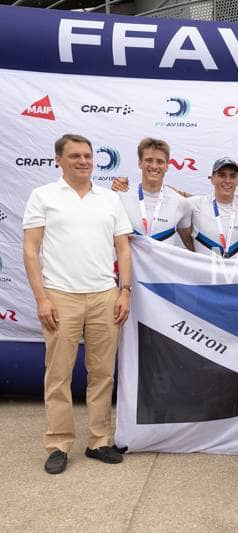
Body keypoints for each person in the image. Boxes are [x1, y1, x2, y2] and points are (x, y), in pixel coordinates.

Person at [22, 134, 133, 474]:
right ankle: (58, 444)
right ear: (59, 160)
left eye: (87, 155)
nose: (83, 161)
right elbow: (30, 250)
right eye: (74, 156)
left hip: (104, 296)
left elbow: (123, 248)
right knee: (58, 374)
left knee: (102, 373)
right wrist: (42, 299)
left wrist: (124, 291)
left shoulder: (110, 199)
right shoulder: (43, 196)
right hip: (60, 296)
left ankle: (99, 440)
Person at [116, 137, 193, 249]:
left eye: (160, 162)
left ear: (166, 166)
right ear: (140, 163)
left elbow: (190, 244)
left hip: (164, 261)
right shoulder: (121, 196)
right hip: (129, 261)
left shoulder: (181, 202)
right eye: (149, 160)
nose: (154, 166)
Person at [187, 158, 238, 260]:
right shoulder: (195, 204)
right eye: (222, 175)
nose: (227, 181)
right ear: (212, 179)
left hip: (236, 270)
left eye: (232, 176)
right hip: (202, 270)